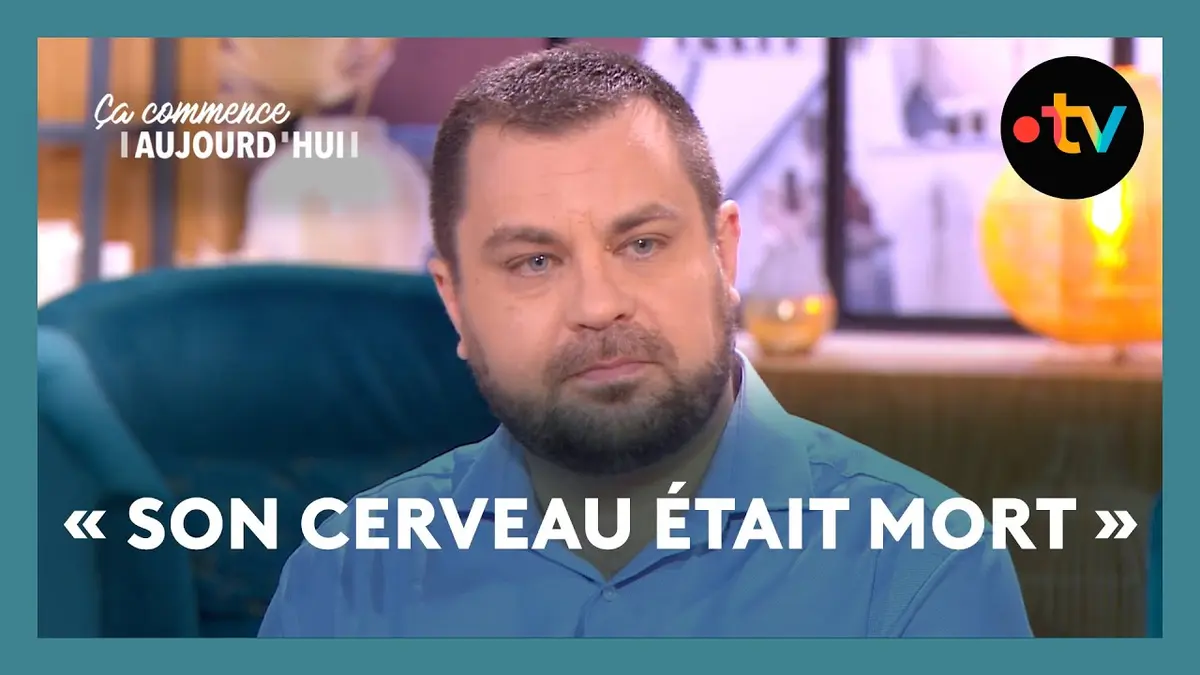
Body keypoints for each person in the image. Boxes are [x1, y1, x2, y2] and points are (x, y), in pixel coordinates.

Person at [259, 44, 1032, 638]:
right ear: (455, 304)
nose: (599, 306)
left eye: (642, 244)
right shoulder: (345, 579)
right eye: (534, 262)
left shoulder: (920, 573)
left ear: (725, 255)